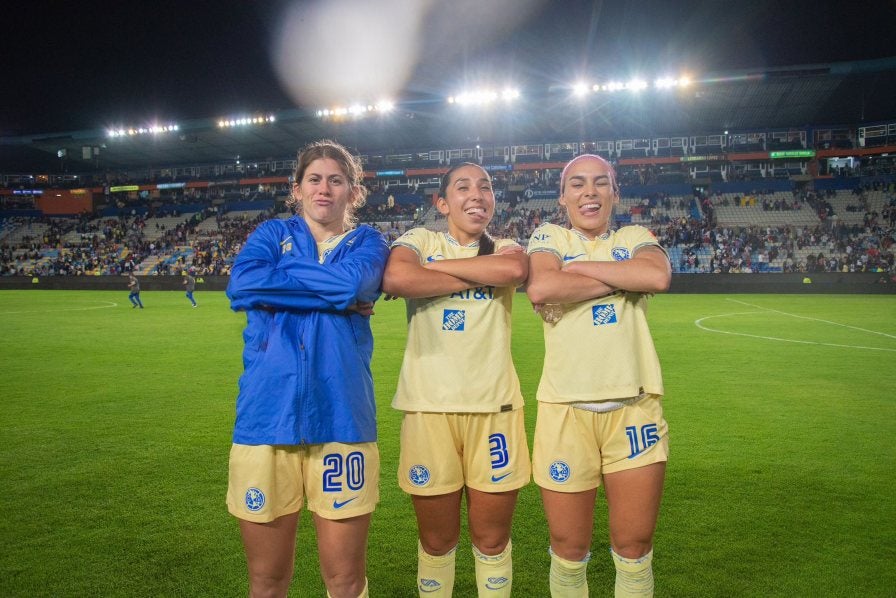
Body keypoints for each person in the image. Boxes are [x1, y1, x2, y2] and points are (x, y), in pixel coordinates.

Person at [225, 140, 389, 598]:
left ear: (352, 192)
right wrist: (338, 297)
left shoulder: (369, 241)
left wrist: (283, 281)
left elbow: (349, 283)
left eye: (335, 180)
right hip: (265, 418)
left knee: (345, 581)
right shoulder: (268, 235)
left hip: (343, 418)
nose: (324, 188)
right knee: (267, 580)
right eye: (314, 179)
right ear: (296, 189)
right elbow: (243, 284)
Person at [525, 154, 671, 598]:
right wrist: (625, 279)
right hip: (565, 410)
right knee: (569, 549)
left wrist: (576, 272)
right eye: (578, 184)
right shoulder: (548, 236)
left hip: (635, 409)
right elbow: (543, 287)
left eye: (600, 183)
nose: (589, 192)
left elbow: (657, 275)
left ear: (615, 193)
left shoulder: (633, 235)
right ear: (563, 197)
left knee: (634, 547)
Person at [382, 162, 530, 597]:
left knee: (491, 541)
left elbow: (513, 272)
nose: (477, 194)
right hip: (428, 407)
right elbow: (397, 277)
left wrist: (435, 272)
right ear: (442, 202)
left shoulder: (505, 245)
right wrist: (463, 269)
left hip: (495, 408)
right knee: (436, 543)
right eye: (463, 187)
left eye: (485, 187)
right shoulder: (419, 239)